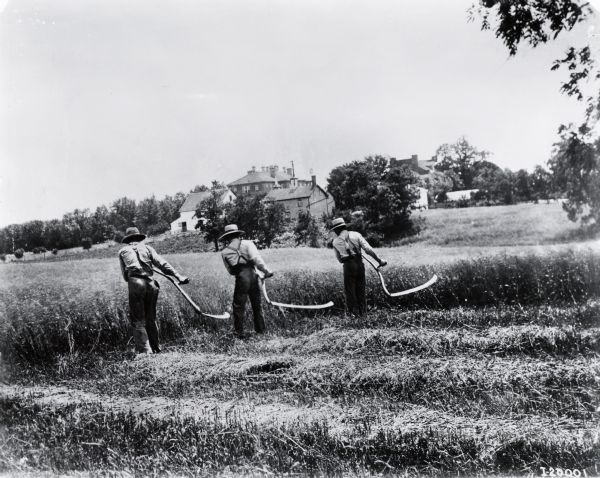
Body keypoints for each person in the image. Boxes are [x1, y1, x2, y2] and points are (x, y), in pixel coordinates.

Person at [118, 227, 189, 354]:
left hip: (136, 283)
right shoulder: (148, 248)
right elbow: (162, 263)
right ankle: (156, 348)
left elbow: (125, 277)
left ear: (128, 240)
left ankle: (146, 352)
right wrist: (178, 276)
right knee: (151, 318)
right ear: (139, 238)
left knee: (138, 320)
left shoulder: (123, 251)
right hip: (151, 284)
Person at [219, 224, 273, 338]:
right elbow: (257, 259)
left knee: (238, 306)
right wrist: (266, 271)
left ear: (228, 238)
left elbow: (231, 271)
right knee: (257, 304)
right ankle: (261, 331)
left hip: (241, 278)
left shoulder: (224, 252)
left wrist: (240, 270)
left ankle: (239, 333)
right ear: (238, 234)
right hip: (253, 276)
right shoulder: (248, 243)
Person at [330, 218, 387, 315]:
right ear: (344, 226)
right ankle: (363, 314)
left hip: (348, 267)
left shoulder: (335, 242)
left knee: (350, 292)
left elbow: (340, 260)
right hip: (359, 264)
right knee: (361, 290)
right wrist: (379, 260)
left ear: (336, 230)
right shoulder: (356, 235)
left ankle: (354, 316)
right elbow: (368, 249)